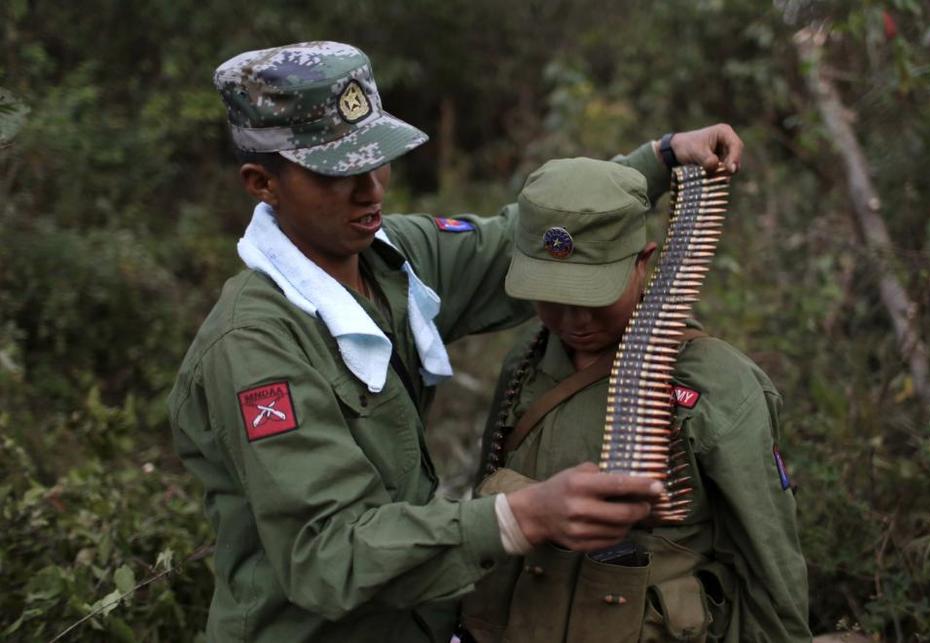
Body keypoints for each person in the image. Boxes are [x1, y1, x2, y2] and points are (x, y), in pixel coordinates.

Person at [166, 40, 746, 643]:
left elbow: (519, 244)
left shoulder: (389, 257)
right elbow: (325, 557)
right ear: (263, 182)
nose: (372, 191)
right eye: (337, 174)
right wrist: (517, 517)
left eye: (378, 160)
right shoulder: (255, 349)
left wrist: (660, 157)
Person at [460, 157, 811, 642]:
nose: (574, 320)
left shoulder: (715, 381)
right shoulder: (527, 359)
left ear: (643, 262)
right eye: (553, 296)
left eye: (592, 295)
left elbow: (768, 562)